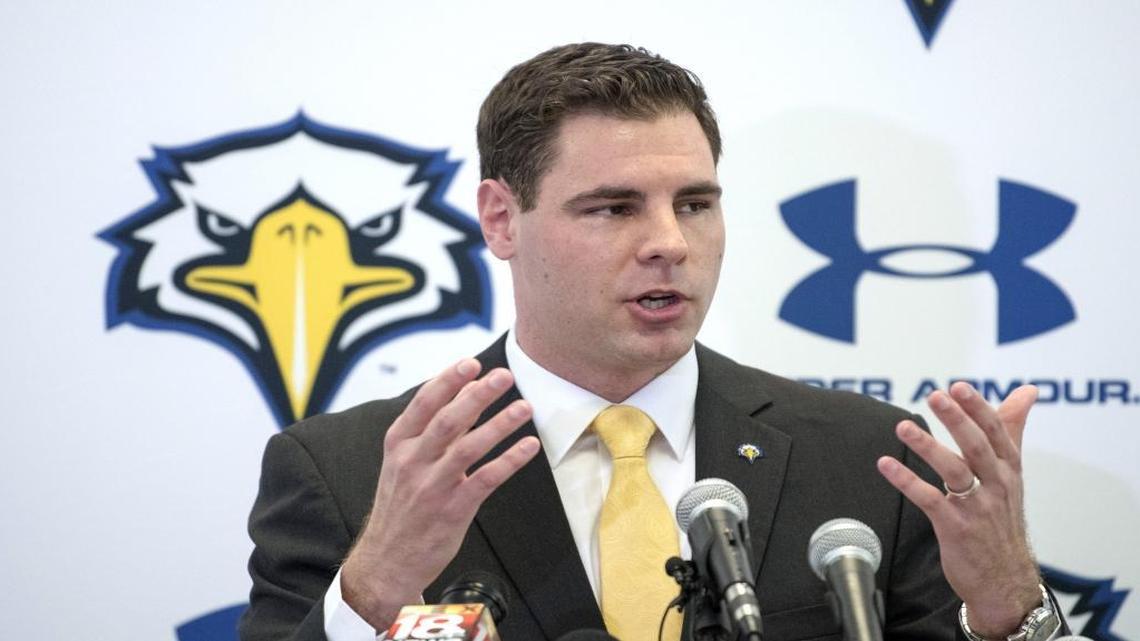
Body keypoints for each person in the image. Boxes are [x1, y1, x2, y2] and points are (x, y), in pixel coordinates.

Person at [238, 43, 1065, 641]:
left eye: (696, 203)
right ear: (500, 218)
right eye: (615, 207)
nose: (670, 240)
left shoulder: (869, 462)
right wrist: (377, 584)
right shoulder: (349, 473)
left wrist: (1006, 608)